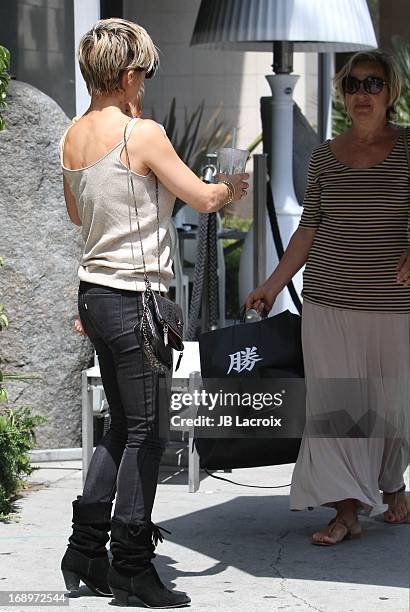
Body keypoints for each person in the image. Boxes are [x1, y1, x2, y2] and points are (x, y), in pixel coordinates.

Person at [59, 18, 248, 607]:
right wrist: (232, 186)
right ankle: (132, 566)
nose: (146, 83)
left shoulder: (70, 136)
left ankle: (84, 549)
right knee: (147, 434)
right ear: (129, 73)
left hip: (95, 294)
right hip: (136, 298)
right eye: (145, 71)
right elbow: (204, 197)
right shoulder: (142, 133)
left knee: (121, 425)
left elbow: (75, 217)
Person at [246, 49, 410, 546]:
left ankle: (391, 483)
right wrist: (272, 285)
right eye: (354, 84)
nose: (363, 93)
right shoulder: (322, 156)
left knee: (391, 407)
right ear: (342, 91)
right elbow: (309, 228)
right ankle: (346, 511)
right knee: (340, 410)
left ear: (391, 92)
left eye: (373, 84)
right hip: (328, 301)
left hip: (394, 304)